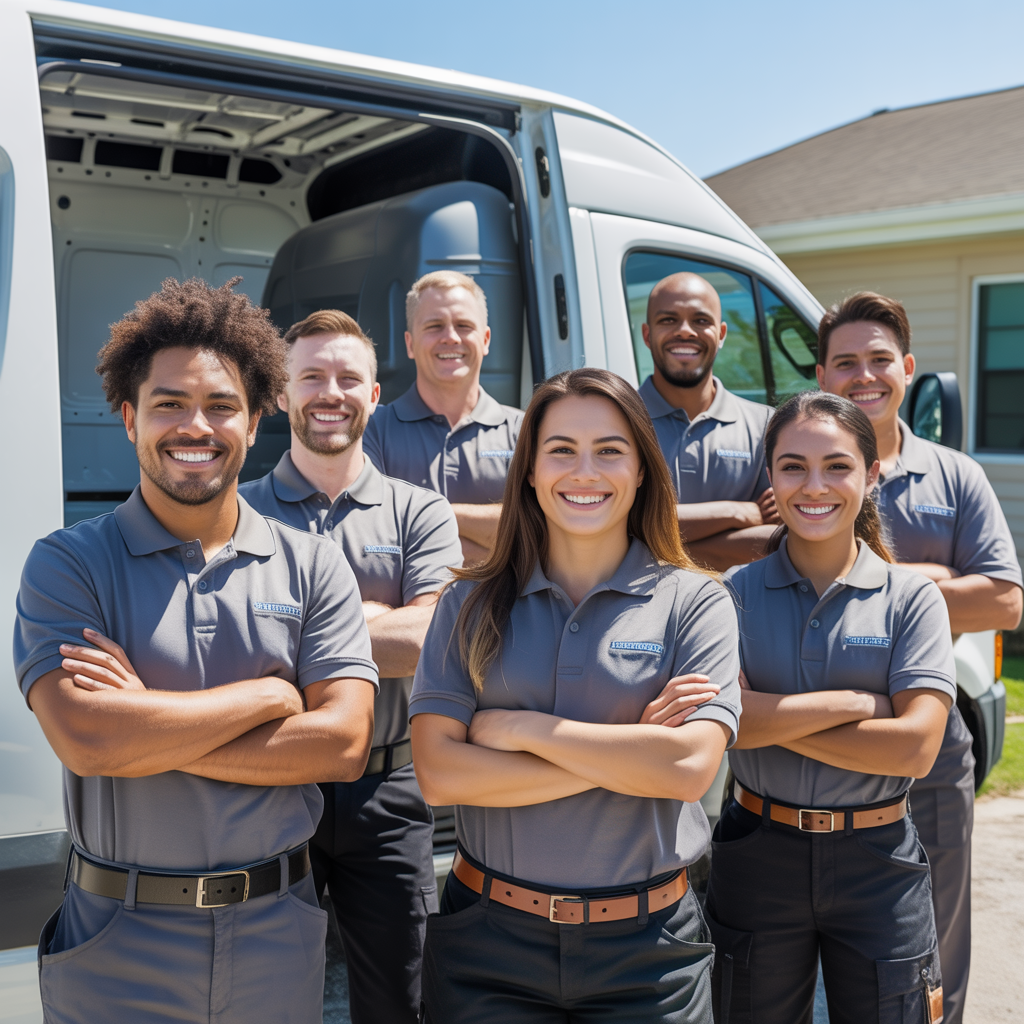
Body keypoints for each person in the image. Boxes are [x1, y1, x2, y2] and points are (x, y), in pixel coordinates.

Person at [14, 279, 378, 1024]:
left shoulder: (313, 565)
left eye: (220, 406)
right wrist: (270, 700)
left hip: (276, 932)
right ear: (129, 419)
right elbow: (86, 738)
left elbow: (342, 744)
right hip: (118, 938)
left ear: (254, 421)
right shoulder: (67, 564)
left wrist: (142, 722)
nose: (195, 426)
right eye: (169, 404)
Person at [410, 367, 742, 1022]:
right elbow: (440, 775)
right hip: (488, 944)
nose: (584, 472)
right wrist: (628, 751)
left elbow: (685, 770)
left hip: (650, 953)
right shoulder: (467, 603)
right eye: (561, 450)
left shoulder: (696, 602)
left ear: (642, 469)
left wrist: (520, 730)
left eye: (609, 451)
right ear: (530, 471)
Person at [240, 309, 463, 1024]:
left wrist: (297, 638)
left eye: (347, 378)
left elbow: (438, 638)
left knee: (401, 1000)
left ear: (373, 396)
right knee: (268, 998)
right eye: (311, 376)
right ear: (281, 394)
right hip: (270, 788)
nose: (328, 392)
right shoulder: (236, 515)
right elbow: (227, 653)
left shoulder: (420, 513)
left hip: (389, 795)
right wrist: (371, 622)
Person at [707, 391, 955, 1024]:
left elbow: (916, 748)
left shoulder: (912, 599)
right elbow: (723, 729)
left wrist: (766, 719)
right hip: (758, 852)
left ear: (872, 476)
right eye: (792, 466)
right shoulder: (730, 596)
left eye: (837, 465)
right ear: (770, 478)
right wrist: (852, 704)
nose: (814, 485)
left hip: (879, 861)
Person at [816, 292, 1024, 1024]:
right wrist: (933, 586)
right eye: (846, 362)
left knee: (937, 938)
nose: (863, 376)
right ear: (821, 373)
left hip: (930, 754)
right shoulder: (791, 469)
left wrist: (904, 592)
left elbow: (1003, 601)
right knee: (807, 943)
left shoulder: (954, 475)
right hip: (808, 755)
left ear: (907, 369)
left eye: (879, 360)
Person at [362, 270, 522, 564]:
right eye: (435, 326)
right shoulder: (372, 429)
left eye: (463, 325)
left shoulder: (523, 430)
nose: (450, 337)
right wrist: (494, 549)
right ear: (410, 344)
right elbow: (370, 537)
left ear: (485, 339)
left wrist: (425, 518)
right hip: (413, 609)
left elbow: (536, 531)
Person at [637, 271, 779, 570]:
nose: (685, 331)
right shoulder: (619, 419)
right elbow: (618, 523)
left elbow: (775, 541)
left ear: (722, 333)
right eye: (668, 320)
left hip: (739, 612)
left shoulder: (766, 425)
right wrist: (737, 513)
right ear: (647, 335)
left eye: (701, 320)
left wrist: (657, 547)